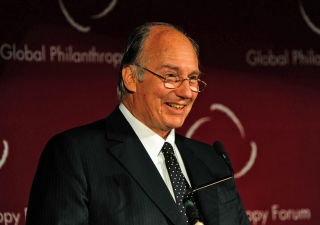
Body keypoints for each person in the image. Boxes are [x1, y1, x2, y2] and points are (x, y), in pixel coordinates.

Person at [26, 22, 250, 225]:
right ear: (131, 78)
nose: (186, 92)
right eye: (171, 76)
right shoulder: (75, 155)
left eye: (192, 79)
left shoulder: (212, 162)